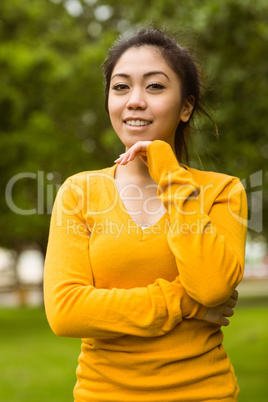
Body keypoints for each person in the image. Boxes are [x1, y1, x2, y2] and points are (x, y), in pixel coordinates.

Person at [44, 26, 248, 402]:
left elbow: (212, 287)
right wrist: (186, 304)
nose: (135, 100)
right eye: (121, 87)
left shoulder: (222, 191)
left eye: (154, 86)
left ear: (185, 107)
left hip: (205, 393)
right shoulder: (79, 191)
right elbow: (66, 312)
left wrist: (169, 172)